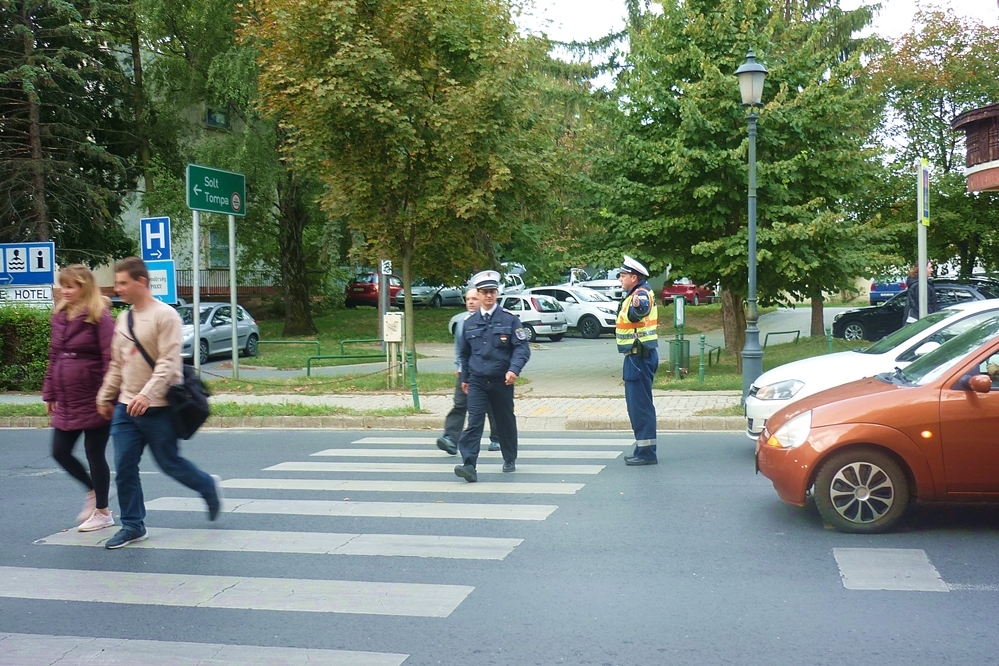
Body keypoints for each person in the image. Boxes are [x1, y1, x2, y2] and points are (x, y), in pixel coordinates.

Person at [96, 257, 221, 550]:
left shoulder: (166, 316)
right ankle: (133, 525)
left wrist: (147, 394)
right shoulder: (124, 319)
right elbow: (117, 363)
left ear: (142, 282)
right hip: (126, 407)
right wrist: (105, 395)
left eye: (123, 283)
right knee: (124, 465)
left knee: (169, 464)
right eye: (117, 283)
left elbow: (167, 364)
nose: (118, 288)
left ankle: (206, 486)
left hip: (159, 407)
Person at [42, 265, 116, 532]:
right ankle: (92, 491)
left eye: (71, 286)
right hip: (68, 397)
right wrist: (49, 392)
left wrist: (107, 396)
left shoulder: (100, 315)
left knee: (94, 453)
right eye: (63, 285)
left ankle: (103, 512)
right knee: (59, 451)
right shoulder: (60, 314)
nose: (65, 290)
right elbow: (54, 356)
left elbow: (111, 358)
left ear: (84, 287)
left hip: (95, 396)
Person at [453, 271, 531, 483]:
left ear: (497, 293)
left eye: (492, 292)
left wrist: (514, 370)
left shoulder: (509, 320)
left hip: (501, 380)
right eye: (485, 292)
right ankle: (469, 464)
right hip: (477, 380)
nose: (489, 296)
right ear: (477, 294)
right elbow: (464, 353)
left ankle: (509, 457)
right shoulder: (469, 323)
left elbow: (522, 349)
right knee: (475, 421)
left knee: (504, 420)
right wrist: (465, 378)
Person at [436, 288, 502, 456]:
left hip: (488, 373)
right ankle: (450, 438)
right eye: (468, 299)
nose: (471, 302)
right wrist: (459, 366)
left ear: (481, 298)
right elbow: (460, 348)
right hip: (467, 372)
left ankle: (497, 438)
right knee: (460, 404)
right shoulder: (462, 321)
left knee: (492, 407)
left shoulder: (494, 319)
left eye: (474, 298)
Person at [616, 255, 660, 466]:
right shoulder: (640, 291)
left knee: (640, 406)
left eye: (622, 276)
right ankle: (643, 449)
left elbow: (639, 312)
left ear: (634, 277)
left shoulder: (640, 294)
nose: (620, 280)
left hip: (638, 357)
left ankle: (646, 453)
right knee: (640, 405)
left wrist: (637, 308)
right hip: (639, 355)